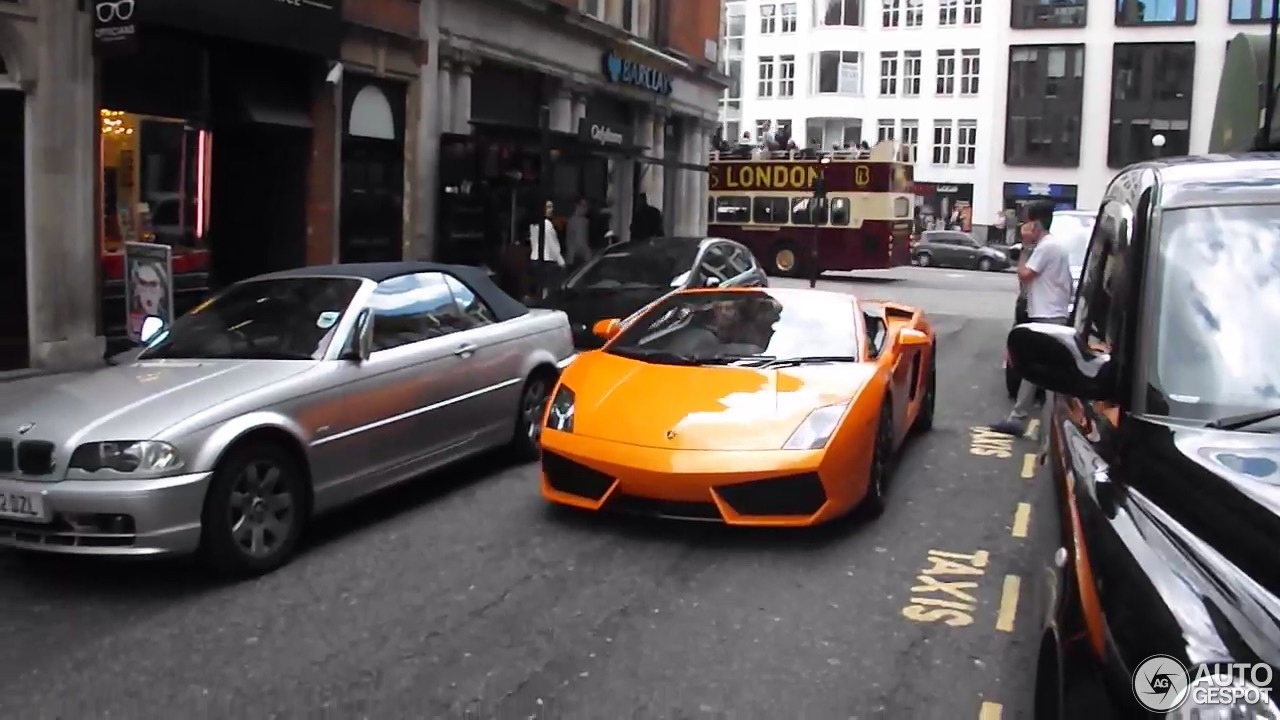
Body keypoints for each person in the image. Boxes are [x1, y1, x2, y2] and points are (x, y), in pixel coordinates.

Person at [989, 200, 1074, 436]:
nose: (1023, 227)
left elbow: (1025, 274)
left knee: (1047, 379)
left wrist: (1025, 247)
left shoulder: (1046, 247)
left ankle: (1053, 433)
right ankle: (1019, 419)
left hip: (1048, 317)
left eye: (1026, 222)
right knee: (1034, 371)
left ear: (1035, 224)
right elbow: (1025, 284)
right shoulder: (1052, 246)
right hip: (1048, 314)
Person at [528, 199, 565, 297]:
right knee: (547, 287)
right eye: (548, 207)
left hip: (535, 259)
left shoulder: (534, 224)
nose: (551, 210)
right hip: (547, 261)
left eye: (551, 207)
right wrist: (561, 261)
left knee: (539, 285)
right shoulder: (548, 225)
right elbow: (553, 245)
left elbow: (533, 241)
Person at [565, 197, 592, 269]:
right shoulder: (573, 221)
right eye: (583, 206)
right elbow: (575, 241)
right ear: (577, 206)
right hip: (576, 258)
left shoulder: (585, 221)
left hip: (580, 257)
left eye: (586, 206)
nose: (586, 208)